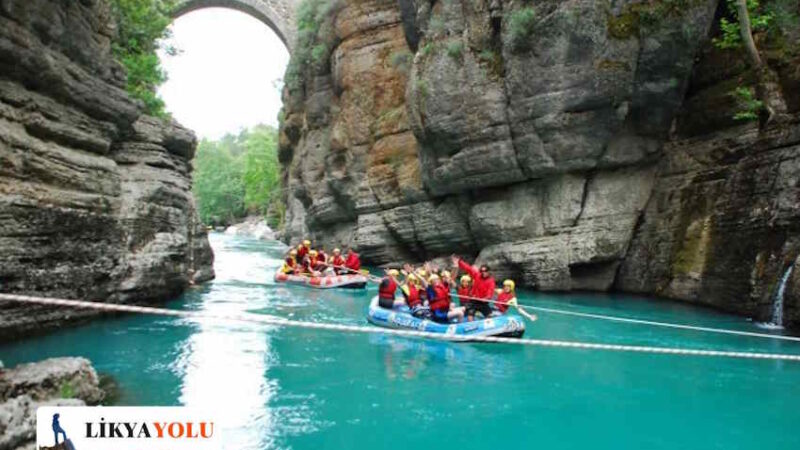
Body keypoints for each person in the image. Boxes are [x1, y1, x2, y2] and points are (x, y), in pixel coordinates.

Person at [453, 255, 495, 320]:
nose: (483, 272)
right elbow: (468, 268)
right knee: (470, 316)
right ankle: (471, 326)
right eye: (481, 271)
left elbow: (490, 292)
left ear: (488, 271)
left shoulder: (491, 281)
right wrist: (459, 261)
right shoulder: (477, 275)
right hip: (474, 301)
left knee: (490, 316)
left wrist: (486, 298)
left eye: (485, 271)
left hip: (483, 302)